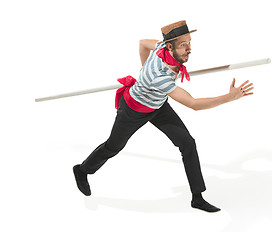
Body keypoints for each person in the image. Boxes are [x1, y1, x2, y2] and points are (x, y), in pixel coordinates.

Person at [73, 20, 254, 212]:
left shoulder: (160, 47)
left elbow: (142, 43)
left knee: (187, 143)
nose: (189, 49)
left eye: (189, 42)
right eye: (183, 45)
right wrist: (229, 97)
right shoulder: (159, 77)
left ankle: (197, 198)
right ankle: (82, 170)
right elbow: (193, 104)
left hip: (158, 105)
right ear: (170, 46)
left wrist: (143, 70)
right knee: (114, 146)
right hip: (134, 109)